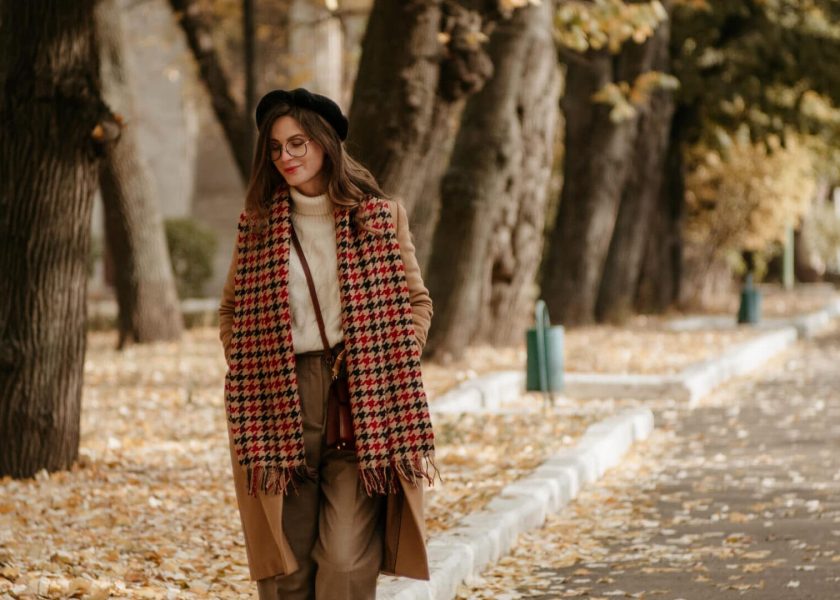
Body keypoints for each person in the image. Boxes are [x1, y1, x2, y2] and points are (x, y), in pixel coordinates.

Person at [218, 88, 437, 600]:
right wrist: (248, 361)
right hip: (275, 400)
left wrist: (394, 359)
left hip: (356, 400)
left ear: (324, 143)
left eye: (297, 143)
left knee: (342, 563)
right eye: (275, 148)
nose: (286, 157)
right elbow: (231, 309)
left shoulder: (379, 217)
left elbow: (417, 301)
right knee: (287, 572)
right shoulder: (257, 225)